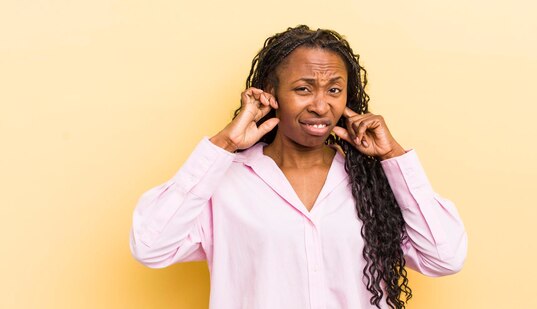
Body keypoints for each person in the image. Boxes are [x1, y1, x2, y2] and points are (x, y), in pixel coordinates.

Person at [130, 25, 467, 309]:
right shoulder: (224, 181)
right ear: (271, 92)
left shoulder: (374, 184)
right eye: (303, 89)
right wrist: (225, 144)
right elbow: (150, 245)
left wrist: (392, 156)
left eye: (334, 89)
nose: (321, 105)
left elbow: (445, 257)